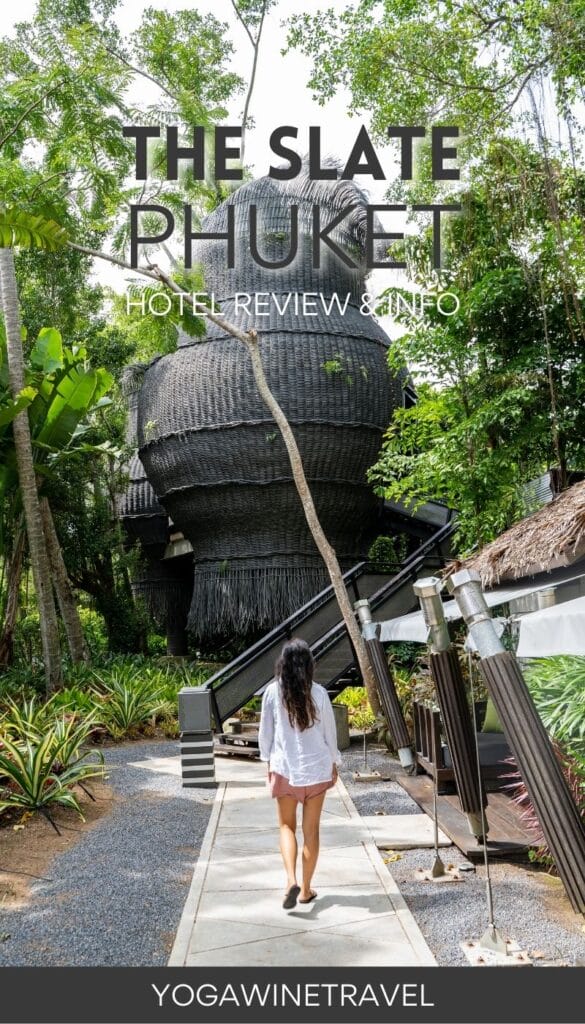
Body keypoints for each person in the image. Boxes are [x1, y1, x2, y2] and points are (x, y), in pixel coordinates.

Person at [258, 637, 342, 910]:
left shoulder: (272, 692)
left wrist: (267, 762)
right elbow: (330, 732)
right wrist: (334, 761)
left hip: (285, 768)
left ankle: (290, 880)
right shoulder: (318, 693)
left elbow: (266, 734)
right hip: (316, 770)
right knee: (312, 832)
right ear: (309, 666)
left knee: (286, 827)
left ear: (282, 664)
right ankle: (305, 890)